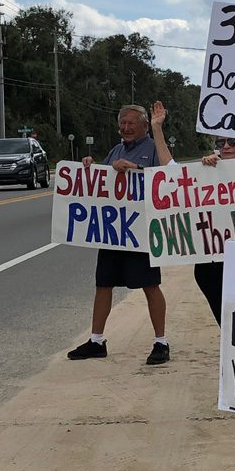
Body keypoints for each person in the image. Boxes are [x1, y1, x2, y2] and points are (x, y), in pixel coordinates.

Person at [67, 101, 174, 365]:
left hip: (141, 233)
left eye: (131, 123)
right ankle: (96, 341)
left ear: (145, 126)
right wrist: (89, 167)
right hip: (113, 232)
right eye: (122, 124)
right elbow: (100, 185)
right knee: (103, 284)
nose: (125, 128)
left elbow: (169, 179)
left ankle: (161, 342)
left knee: (150, 285)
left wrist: (136, 170)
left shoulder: (153, 148)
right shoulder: (115, 149)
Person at [193, 136, 235, 326]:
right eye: (220, 143)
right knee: (223, 316)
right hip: (211, 260)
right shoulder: (207, 169)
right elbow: (171, 170)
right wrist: (202, 169)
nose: (225, 146)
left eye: (232, 142)